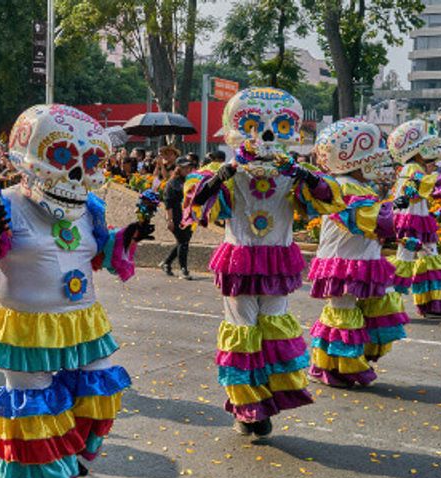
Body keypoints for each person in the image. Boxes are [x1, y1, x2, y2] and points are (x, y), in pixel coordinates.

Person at [0, 104, 151, 478]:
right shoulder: (4, 204)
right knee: (34, 406)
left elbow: (102, 252)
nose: (76, 173)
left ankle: (69, 452)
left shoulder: (88, 209)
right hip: (25, 324)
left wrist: (132, 232)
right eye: (63, 158)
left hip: (80, 321)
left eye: (90, 161)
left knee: (99, 389)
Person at [182, 87, 345, 437]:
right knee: (242, 332)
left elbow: (329, 196)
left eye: (279, 125)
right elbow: (196, 200)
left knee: (273, 331)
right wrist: (226, 172)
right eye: (255, 124)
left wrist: (304, 174)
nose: (267, 135)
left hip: (278, 262)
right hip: (239, 261)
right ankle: (247, 407)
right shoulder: (226, 170)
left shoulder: (293, 173)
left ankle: (267, 398)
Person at [307, 119, 409, 387]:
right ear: (353, 159)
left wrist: (397, 212)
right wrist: (396, 207)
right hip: (342, 262)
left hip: (362, 259)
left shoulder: (361, 186)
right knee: (343, 313)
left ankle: (343, 362)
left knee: (368, 310)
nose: (377, 164)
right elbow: (365, 218)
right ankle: (335, 367)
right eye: (371, 158)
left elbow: (376, 218)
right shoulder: (339, 185)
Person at [387, 119, 441, 318]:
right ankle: (386, 306)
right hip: (410, 221)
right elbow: (411, 192)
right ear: (415, 149)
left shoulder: (415, 168)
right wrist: (439, 179)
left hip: (419, 220)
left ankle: (434, 304)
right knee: (405, 260)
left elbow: (417, 192)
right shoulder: (412, 169)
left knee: (429, 258)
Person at [160, 156, 196, 279]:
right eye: (185, 167)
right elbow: (168, 204)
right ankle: (183, 269)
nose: (187, 169)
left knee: (183, 242)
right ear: (178, 168)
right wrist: (169, 220)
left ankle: (166, 263)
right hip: (176, 216)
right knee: (183, 242)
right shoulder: (172, 183)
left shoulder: (189, 181)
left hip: (188, 216)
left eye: (189, 167)